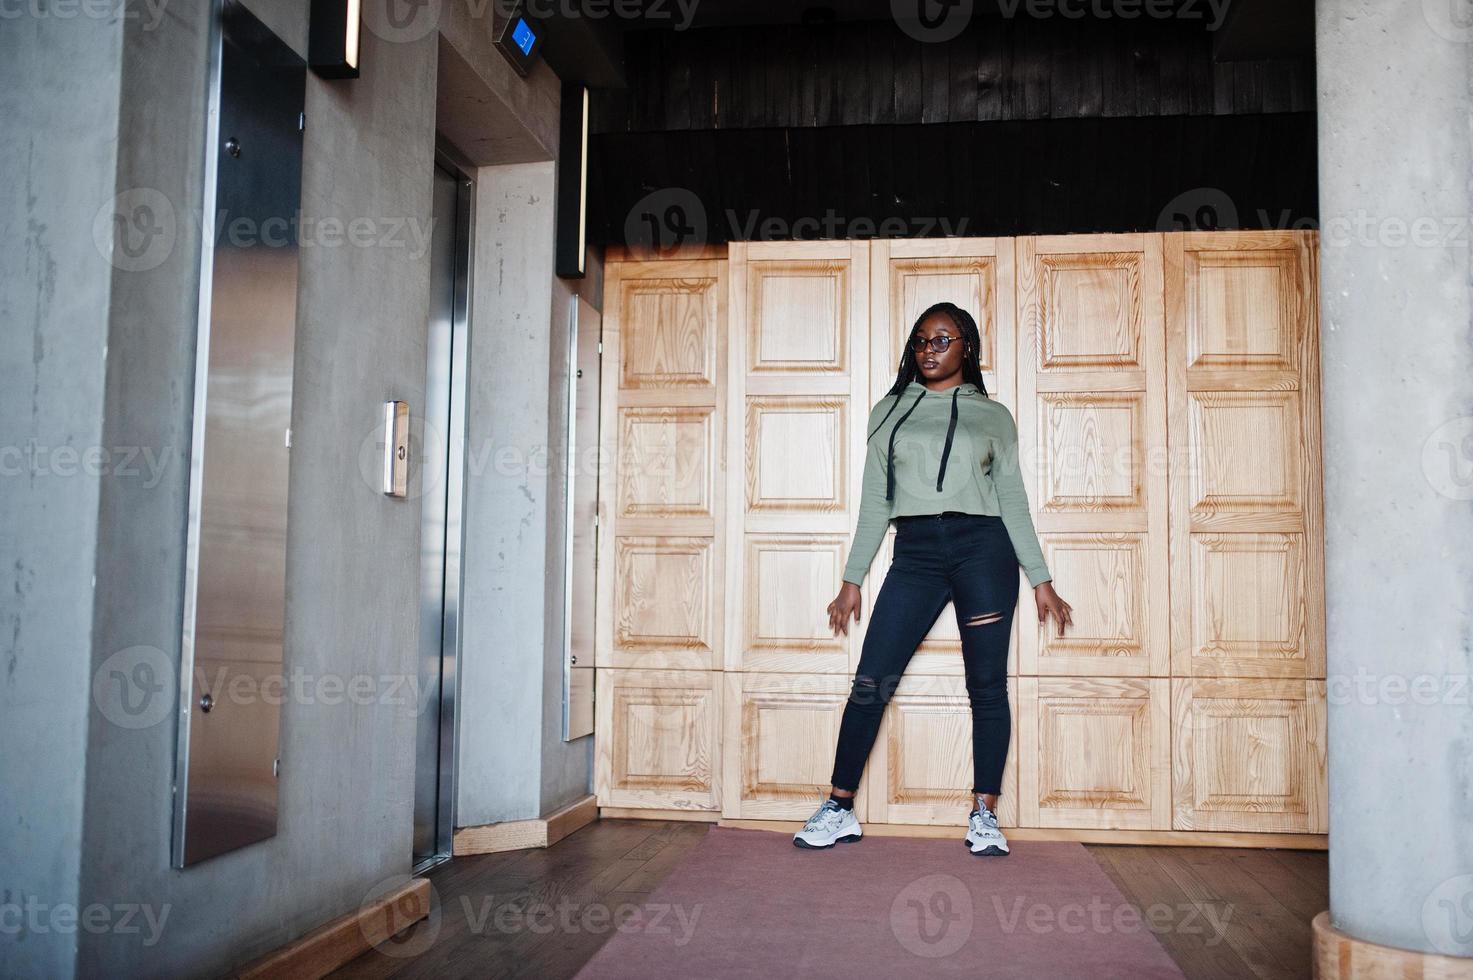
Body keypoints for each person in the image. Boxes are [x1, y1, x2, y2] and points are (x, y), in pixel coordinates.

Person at [792, 301, 1073, 855]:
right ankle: (839, 806)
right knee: (871, 680)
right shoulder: (889, 411)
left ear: (966, 346)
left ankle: (984, 813)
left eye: (942, 340)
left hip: (983, 551)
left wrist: (1040, 577)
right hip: (915, 553)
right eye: (921, 340)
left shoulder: (993, 416)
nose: (929, 350)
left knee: (987, 687)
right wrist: (853, 580)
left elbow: (1012, 500)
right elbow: (876, 500)